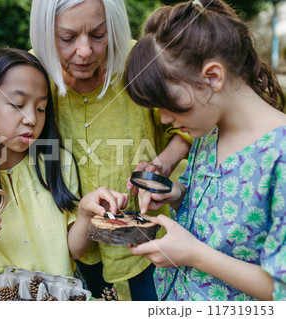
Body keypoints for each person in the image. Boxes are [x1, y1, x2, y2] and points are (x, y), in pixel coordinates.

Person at [0, 47, 129, 292]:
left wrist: (84, 213)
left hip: (56, 298)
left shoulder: (58, 162)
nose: (31, 118)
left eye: (41, 108)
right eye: (17, 104)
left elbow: (72, 250)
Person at [124, 0, 286, 301]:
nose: (164, 119)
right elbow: (228, 221)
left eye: (169, 103)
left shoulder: (280, 154)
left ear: (212, 77)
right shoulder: (208, 131)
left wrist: (193, 255)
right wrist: (176, 196)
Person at [30, 0, 191, 300]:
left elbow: (187, 125)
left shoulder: (140, 61)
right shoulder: (29, 72)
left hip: (145, 243)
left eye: (98, 34)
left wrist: (162, 164)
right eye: (67, 38)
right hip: (71, 246)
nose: (85, 51)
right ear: (43, 34)